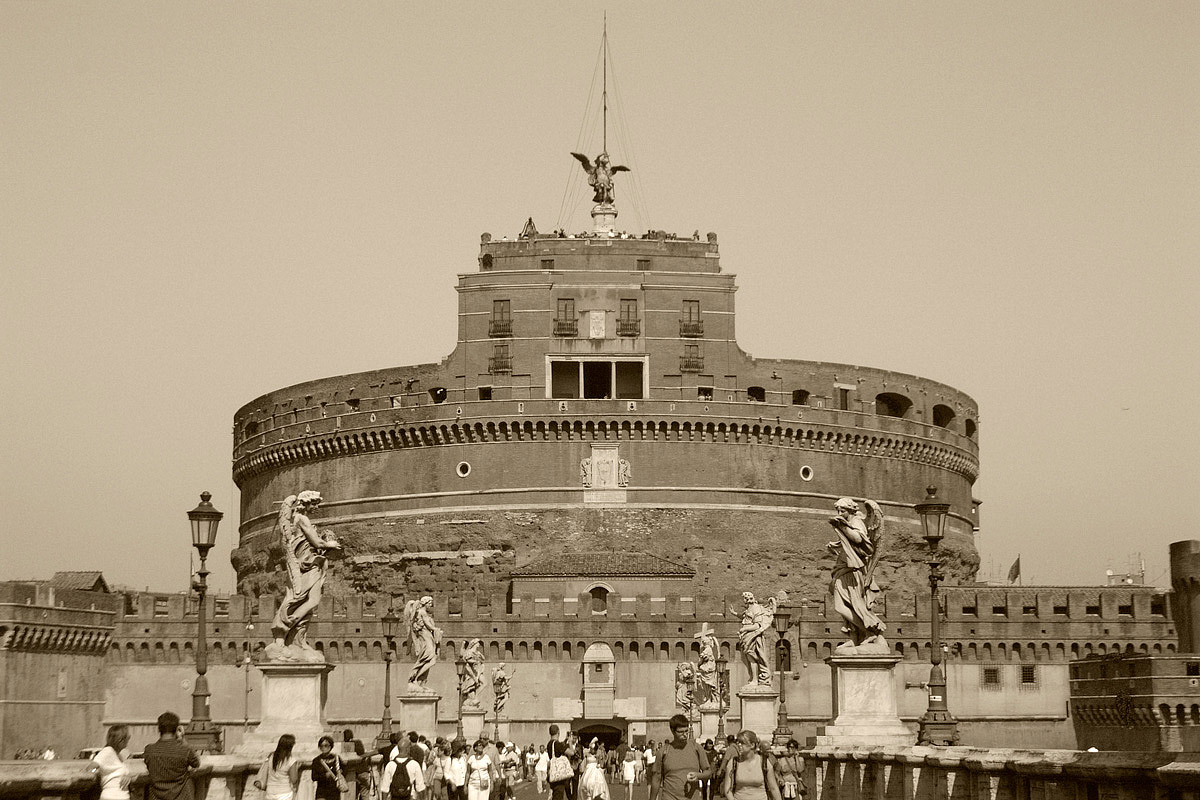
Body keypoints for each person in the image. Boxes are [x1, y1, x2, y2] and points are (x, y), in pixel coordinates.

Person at [270, 491, 341, 654]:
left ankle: (298, 639)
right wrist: (330, 545)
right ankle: (284, 626)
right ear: (306, 503)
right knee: (309, 599)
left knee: (302, 600)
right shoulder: (302, 519)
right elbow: (315, 541)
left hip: (307, 562)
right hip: (307, 564)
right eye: (314, 504)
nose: (316, 507)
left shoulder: (294, 519)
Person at [827, 497, 887, 651]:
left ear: (851, 510)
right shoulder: (849, 522)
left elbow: (859, 539)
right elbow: (849, 544)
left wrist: (842, 526)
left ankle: (869, 631)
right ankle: (854, 637)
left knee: (848, 605)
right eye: (838, 510)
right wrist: (835, 544)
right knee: (844, 606)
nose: (840, 512)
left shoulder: (856, 521)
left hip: (853, 572)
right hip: (844, 567)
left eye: (843, 510)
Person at [649, 715, 710, 800]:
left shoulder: (697, 748)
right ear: (673, 731)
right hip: (669, 797)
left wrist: (699, 776)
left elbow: (708, 772)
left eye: (686, 731)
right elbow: (656, 778)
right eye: (680, 732)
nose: (685, 735)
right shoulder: (664, 752)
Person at [143, 711, 200, 800]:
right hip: (182, 796)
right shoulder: (184, 750)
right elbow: (196, 763)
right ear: (176, 729)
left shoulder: (149, 750)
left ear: (159, 729)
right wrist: (182, 740)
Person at [720, 731, 780, 800]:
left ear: (752, 745)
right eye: (738, 742)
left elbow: (774, 788)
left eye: (742, 743)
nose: (739, 745)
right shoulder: (733, 763)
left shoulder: (764, 762)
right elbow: (727, 789)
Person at [405, 596, 443, 689]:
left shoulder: (422, 613)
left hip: (428, 637)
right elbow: (428, 625)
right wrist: (437, 629)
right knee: (430, 658)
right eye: (429, 603)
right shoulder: (422, 612)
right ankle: (415, 678)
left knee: (429, 659)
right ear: (425, 603)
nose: (430, 605)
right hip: (425, 637)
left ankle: (421, 682)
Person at [254, 734, 301, 800]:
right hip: (284, 793)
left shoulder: (271, 756)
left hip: (270, 793)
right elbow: (294, 780)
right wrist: (296, 769)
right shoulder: (291, 760)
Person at [91, 724, 132, 800]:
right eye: (127, 738)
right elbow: (91, 768)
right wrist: (96, 771)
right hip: (111, 796)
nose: (128, 740)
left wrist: (127, 776)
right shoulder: (107, 751)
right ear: (121, 740)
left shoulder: (119, 755)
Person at [312, 735, 347, 800]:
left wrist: (340, 773)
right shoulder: (316, 760)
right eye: (321, 746)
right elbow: (314, 777)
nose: (323, 748)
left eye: (326, 745)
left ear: (331, 746)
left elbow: (345, 770)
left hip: (334, 791)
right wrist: (325, 775)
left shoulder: (336, 758)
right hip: (321, 790)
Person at [545, 725, 572, 800]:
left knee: (555, 794)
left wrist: (565, 740)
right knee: (558, 795)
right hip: (559, 774)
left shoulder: (549, 744)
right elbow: (571, 753)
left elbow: (558, 749)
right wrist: (570, 742)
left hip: (553, 772)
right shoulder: (557, 744)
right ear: (558, 732)